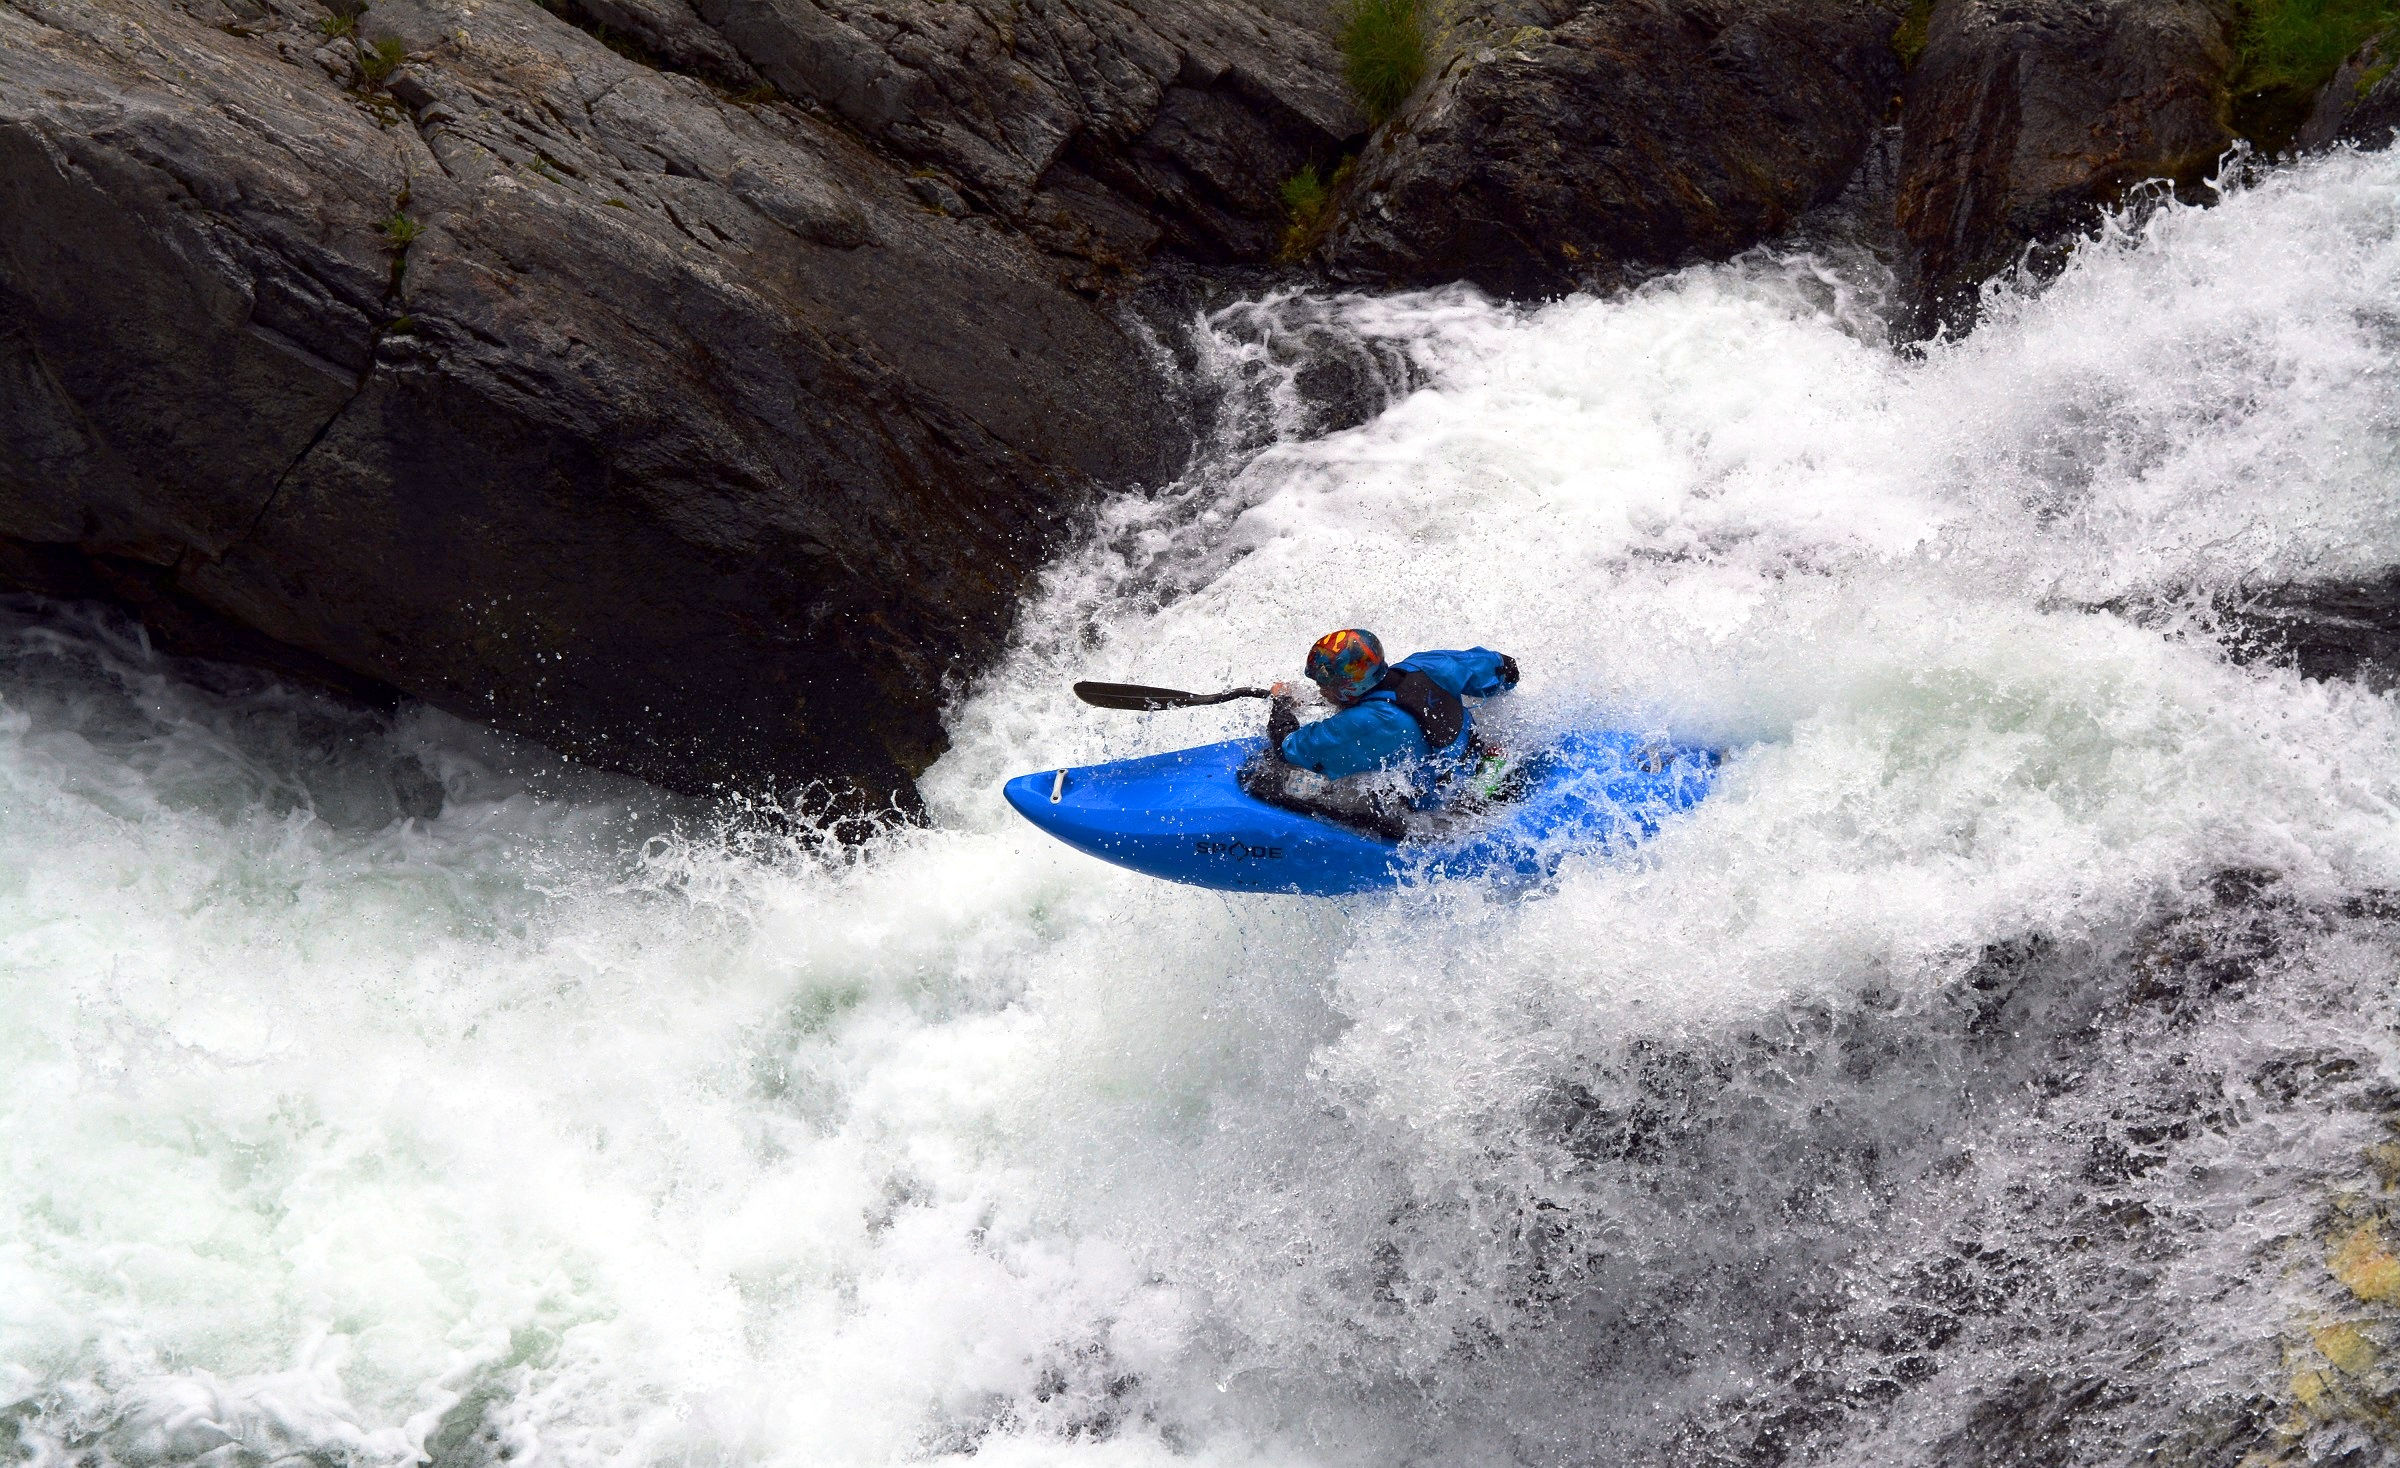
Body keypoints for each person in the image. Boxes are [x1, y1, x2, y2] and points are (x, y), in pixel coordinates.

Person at [1246, 629, 1519, 834]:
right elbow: (1503, 668)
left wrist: (1280, 703)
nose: (1321, 691)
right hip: (1476, 758)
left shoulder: (1370, 722)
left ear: (1349, 687)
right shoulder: (1423, 665)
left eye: (1325, 686)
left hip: (1442, 809)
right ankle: (1491, 769)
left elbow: (1289, 749)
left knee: (1283, 784)